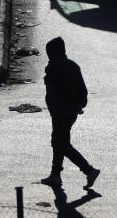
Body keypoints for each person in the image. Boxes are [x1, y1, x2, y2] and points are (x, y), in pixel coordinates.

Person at [39, 37, 100, 190]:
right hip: (70, 111)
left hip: (60, 112)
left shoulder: (54, 68)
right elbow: (83, 90)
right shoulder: (73, 66)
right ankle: (55, 175)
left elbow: (59, 89)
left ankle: (89, 170)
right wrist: (79, 104)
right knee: (58, 142)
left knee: (61, 144)